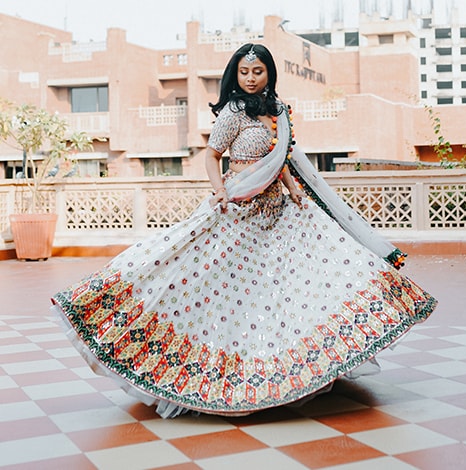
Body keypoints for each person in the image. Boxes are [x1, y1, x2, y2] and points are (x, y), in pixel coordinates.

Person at [50, 43, 437, 418]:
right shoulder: (233, 112)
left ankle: (297, 366)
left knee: (287, 287)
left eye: (258, 71)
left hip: (277, 213)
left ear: (270, 74)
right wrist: (220, 191)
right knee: (226, 287)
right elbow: (212, 155)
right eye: (244, 72)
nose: (251, 78)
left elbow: (279, 158)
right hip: (238, 209)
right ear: (236, 75)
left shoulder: (278, 113)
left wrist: (293, 189)